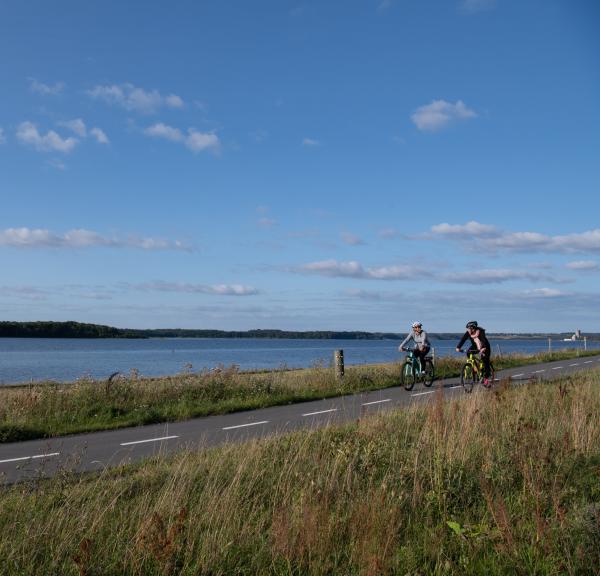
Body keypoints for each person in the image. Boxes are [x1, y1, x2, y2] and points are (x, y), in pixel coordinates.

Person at [456, 321, 492, 386]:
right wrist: (458, 347)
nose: (468, 330)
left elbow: (483, 340)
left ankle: (486, 378)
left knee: (485, 360)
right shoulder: (468, 333)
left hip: (485, 347)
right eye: (467, 329)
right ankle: (474, 368)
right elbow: (463, 339)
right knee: (468, 353)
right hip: (475, 346)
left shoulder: (480, 332)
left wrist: (483, 348)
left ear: (473, 328)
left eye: (469, 328)